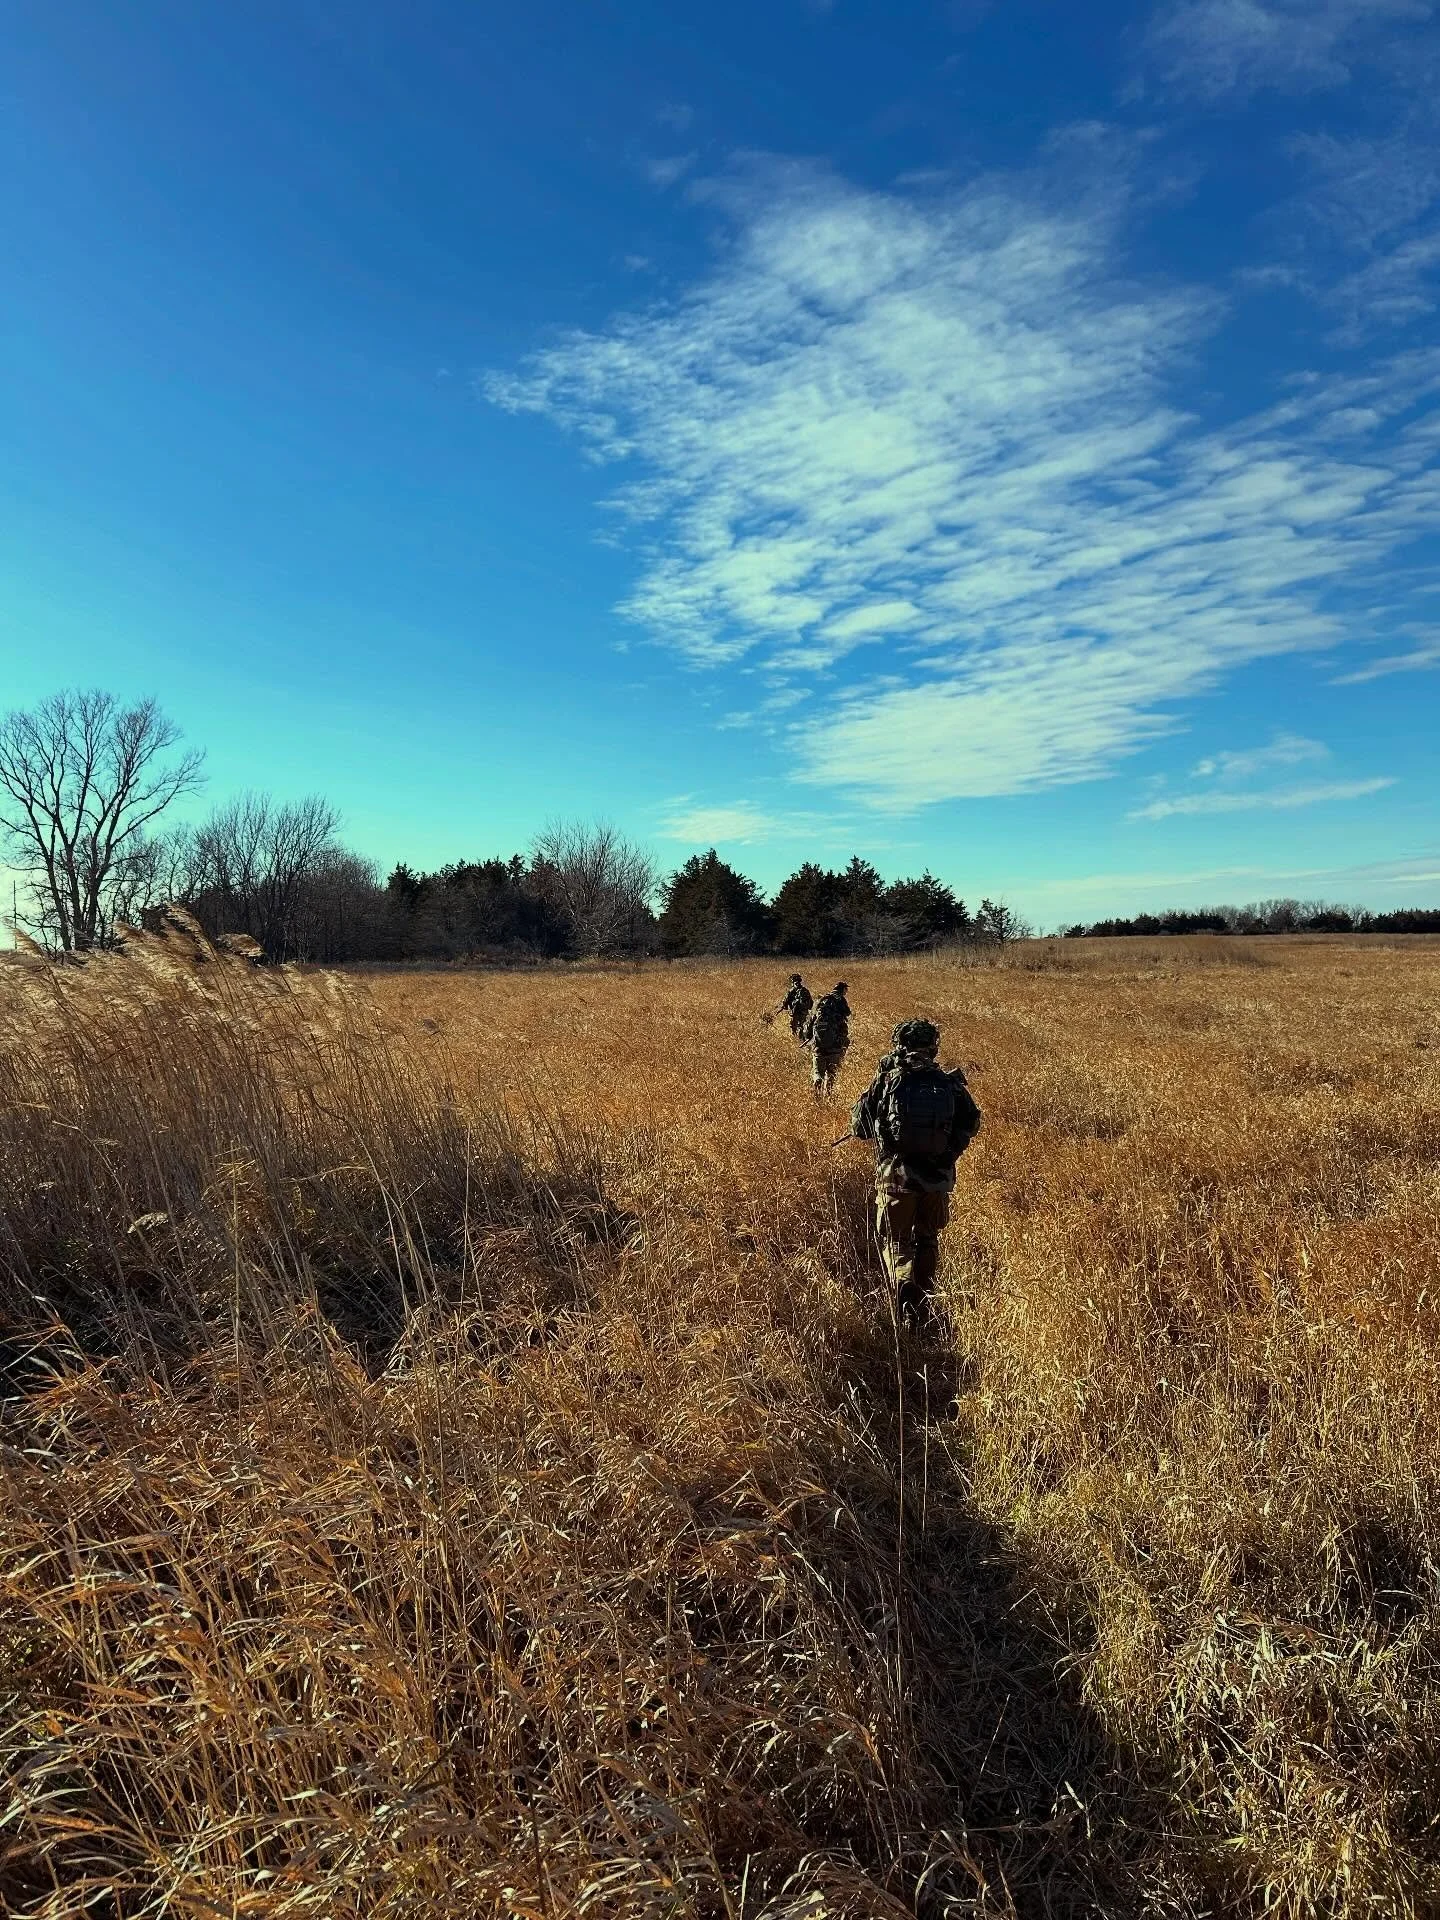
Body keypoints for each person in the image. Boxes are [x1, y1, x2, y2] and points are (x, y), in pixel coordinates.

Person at [850, 1018, 982, 1330]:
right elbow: (972, 1122)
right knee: (927, 1239)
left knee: (896, 1241)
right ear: (934, 1047)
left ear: (899, 1044)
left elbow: (860, 1127)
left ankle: (905, 1299)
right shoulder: (947, 1083)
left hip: (896, 1178)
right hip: (937, 1180)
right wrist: (949, 1155)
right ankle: (923, 1303)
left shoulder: (889, 1080)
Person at [802, 980, 851, 1095]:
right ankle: (829, 1093)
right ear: (842, 990)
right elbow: (847, 1015)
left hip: (818, 1047)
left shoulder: (822, 1000)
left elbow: (810, 1022)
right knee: (832, 1074)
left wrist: (809, 1037)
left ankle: (817, 1081)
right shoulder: (841, 1000)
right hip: (835, 1047)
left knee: (817, 1071)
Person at [772, 972, 813, 1040]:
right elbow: (811, 1003)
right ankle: (800, 1039)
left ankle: (797, 1040)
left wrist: (778, 1011)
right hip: (803, 1012)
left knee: (794, 1027)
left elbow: (784, 1003)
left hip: (796, 1013)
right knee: (801, 1026)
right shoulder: (805, 990)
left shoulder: (792, 991)